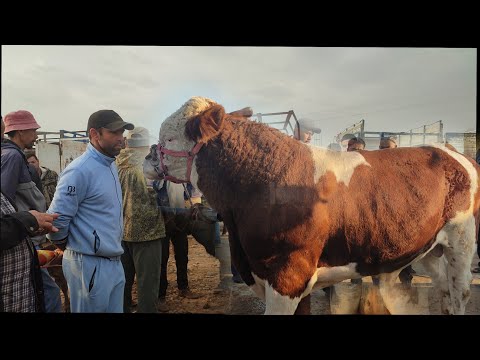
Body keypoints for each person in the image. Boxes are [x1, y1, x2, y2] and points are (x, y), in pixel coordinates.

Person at [47, 110, 134, 313]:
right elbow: (56, 222)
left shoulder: (109, 165)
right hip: (89, 265)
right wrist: (76, 247)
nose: (121, 138)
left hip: (113, 261)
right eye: (115, 133)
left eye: (122, 132)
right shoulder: (80, 170)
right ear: (95, 134)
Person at [1, 111, 63, 312]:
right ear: (20, 131)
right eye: (33, 130)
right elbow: (6, 198)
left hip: (22, 233)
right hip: (20, 235)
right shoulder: (12, 156)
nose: (36, 135)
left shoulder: (12, 154)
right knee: (49, 292)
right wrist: (26, 222)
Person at [116, 127, 166, 313]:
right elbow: (164, 196)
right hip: (148, 233)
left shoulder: (115, 163)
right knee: (147, 285)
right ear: (147, 144)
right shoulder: (151, 165)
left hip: (121, 232)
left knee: (122, 283)